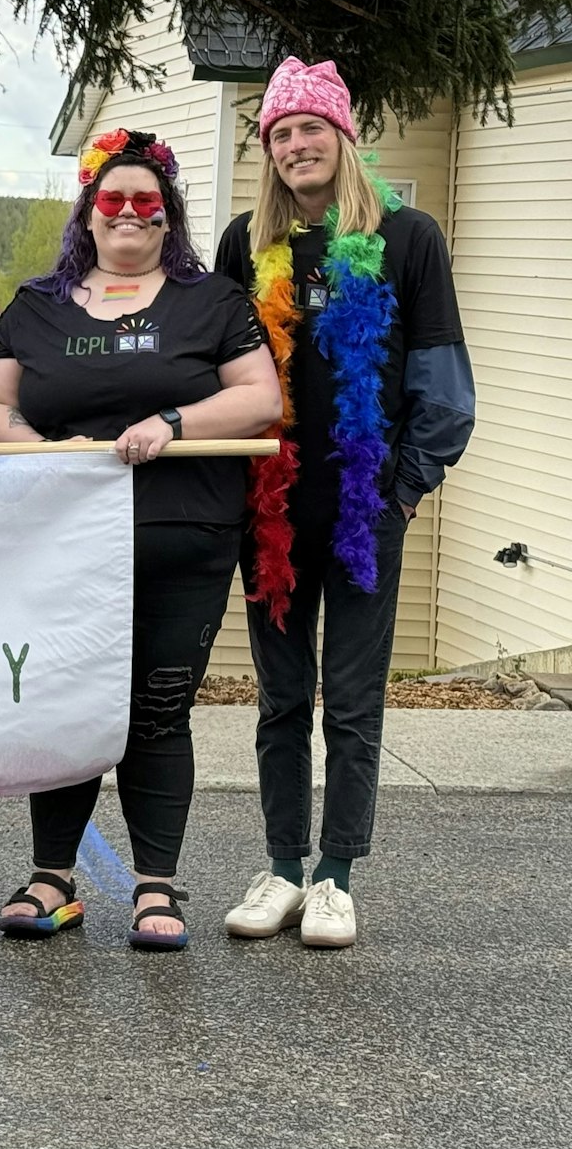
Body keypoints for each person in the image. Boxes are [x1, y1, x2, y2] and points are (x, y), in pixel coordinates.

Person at [0, 129, 280, 949]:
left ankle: (155, 887)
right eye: (113, 199)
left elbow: (260, 399)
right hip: (63, 543)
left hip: (182, 537)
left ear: (168, 215)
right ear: (89, 212)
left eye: (148, 201)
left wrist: (173, 421)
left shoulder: (212, 302)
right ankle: (53, 881)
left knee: (156, 709)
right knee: (68, 703)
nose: (129, 213)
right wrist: (46, 456)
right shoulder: (36, 306)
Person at [214, 59, 473, 949]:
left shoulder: (408, 238)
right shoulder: (247, 243)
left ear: (343, 138)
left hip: (366, 508)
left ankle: (336, 876)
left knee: (354, 703)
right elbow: (217, 371)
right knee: (281, 700)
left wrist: (403, 492)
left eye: (309, 129)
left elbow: (441, 376)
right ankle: (283, 867)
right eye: (280, 134)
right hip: (273, 511)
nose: (295, 146)